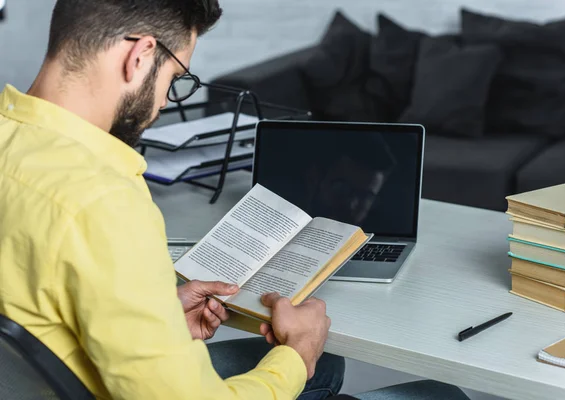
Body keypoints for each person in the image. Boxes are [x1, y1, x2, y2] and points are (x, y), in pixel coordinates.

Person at [0, 1, 469, 399]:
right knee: (438, 394)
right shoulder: (104, 199)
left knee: (326, 368)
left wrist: (160, 308)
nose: (165, 100)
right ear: (141, 56)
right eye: (176, 77)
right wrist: (297, 354)